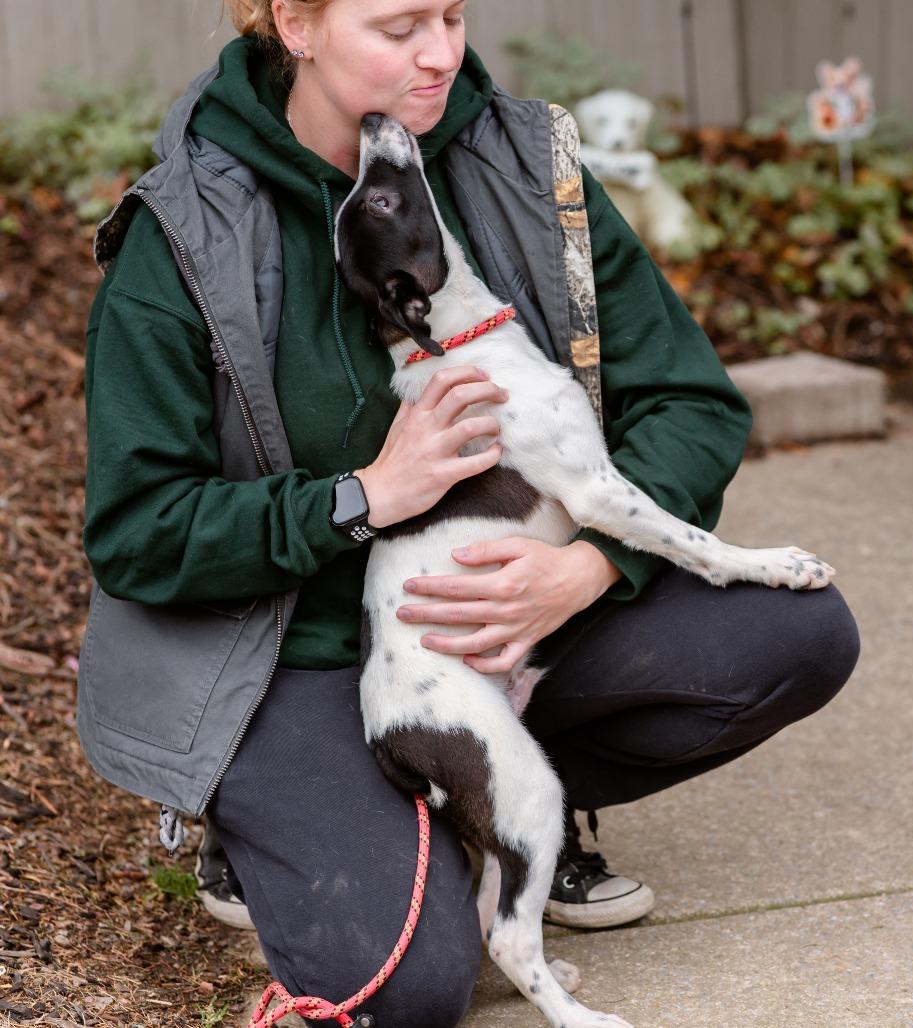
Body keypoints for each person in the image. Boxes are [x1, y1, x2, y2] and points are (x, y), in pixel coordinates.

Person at [78, 1, 860, 1024]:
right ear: (295, 24)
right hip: (290, 651)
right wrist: (361, 496)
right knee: (411, 989)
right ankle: (281, 835)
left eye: (451, 13)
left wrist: (585, 565)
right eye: (398, 25)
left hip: (507, 616)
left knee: (797, 628)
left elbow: (690, 403)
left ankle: (509, 812)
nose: (442, 53)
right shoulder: (184, 229)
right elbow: (139, 529)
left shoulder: (524, 166)